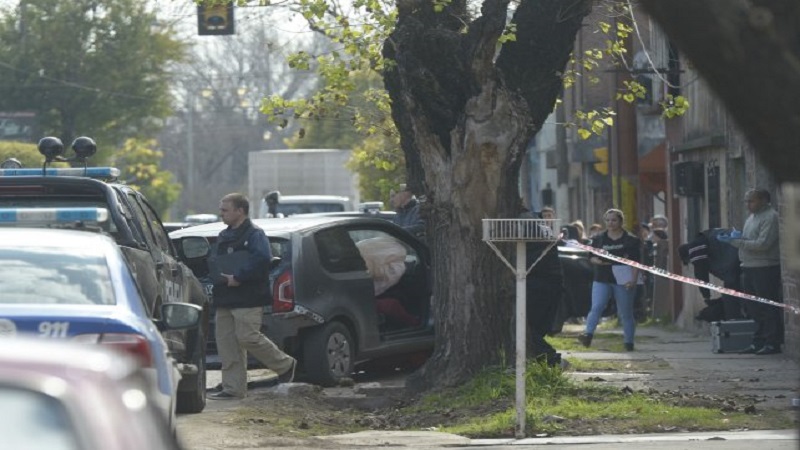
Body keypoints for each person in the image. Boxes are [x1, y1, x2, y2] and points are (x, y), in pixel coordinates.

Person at [207, 193, 297, 400]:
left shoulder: (255, 234)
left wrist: (239, 277)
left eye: (225, 210)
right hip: (225, 296)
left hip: (247, 296)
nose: (221, 214)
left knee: (248, 337)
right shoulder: (224, 235)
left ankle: (286, 365)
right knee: (227, 343)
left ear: (240, 211)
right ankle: (233, 388)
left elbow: (262, 258)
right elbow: (217, 260)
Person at [717, 188, 783, 355]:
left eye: (751, 201)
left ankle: (772, 342)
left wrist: (736, 242)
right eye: (746, 201)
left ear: (763, 200)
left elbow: (763, 244)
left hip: (765, 266)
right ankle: (758, 340)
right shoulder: (752, 218)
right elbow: (749, 239)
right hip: (748, 265)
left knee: (767, 305)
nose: (748, 205)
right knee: (752, 307)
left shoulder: (770, 217)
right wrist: (738, 236)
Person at [578, 208, 642, 351]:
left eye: (614, 220)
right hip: (602, 277)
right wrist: (595, 260)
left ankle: (629, 342)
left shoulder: (631, 240)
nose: (610, 223)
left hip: (623, 279)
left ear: (620, 221)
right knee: (597, 306)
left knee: (625, 312)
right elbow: (590, 256)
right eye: (607, 220)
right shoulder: (598, 239)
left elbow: (636, 262)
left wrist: (633, 280)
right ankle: (587, 335)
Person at [521, 210, 564, 367]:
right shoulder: (545, 235)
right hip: (550, 287)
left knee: (527, 329)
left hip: (538, 287)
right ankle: (547, 361)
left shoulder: (532, 240)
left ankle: (551, 360)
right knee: (533, 330)